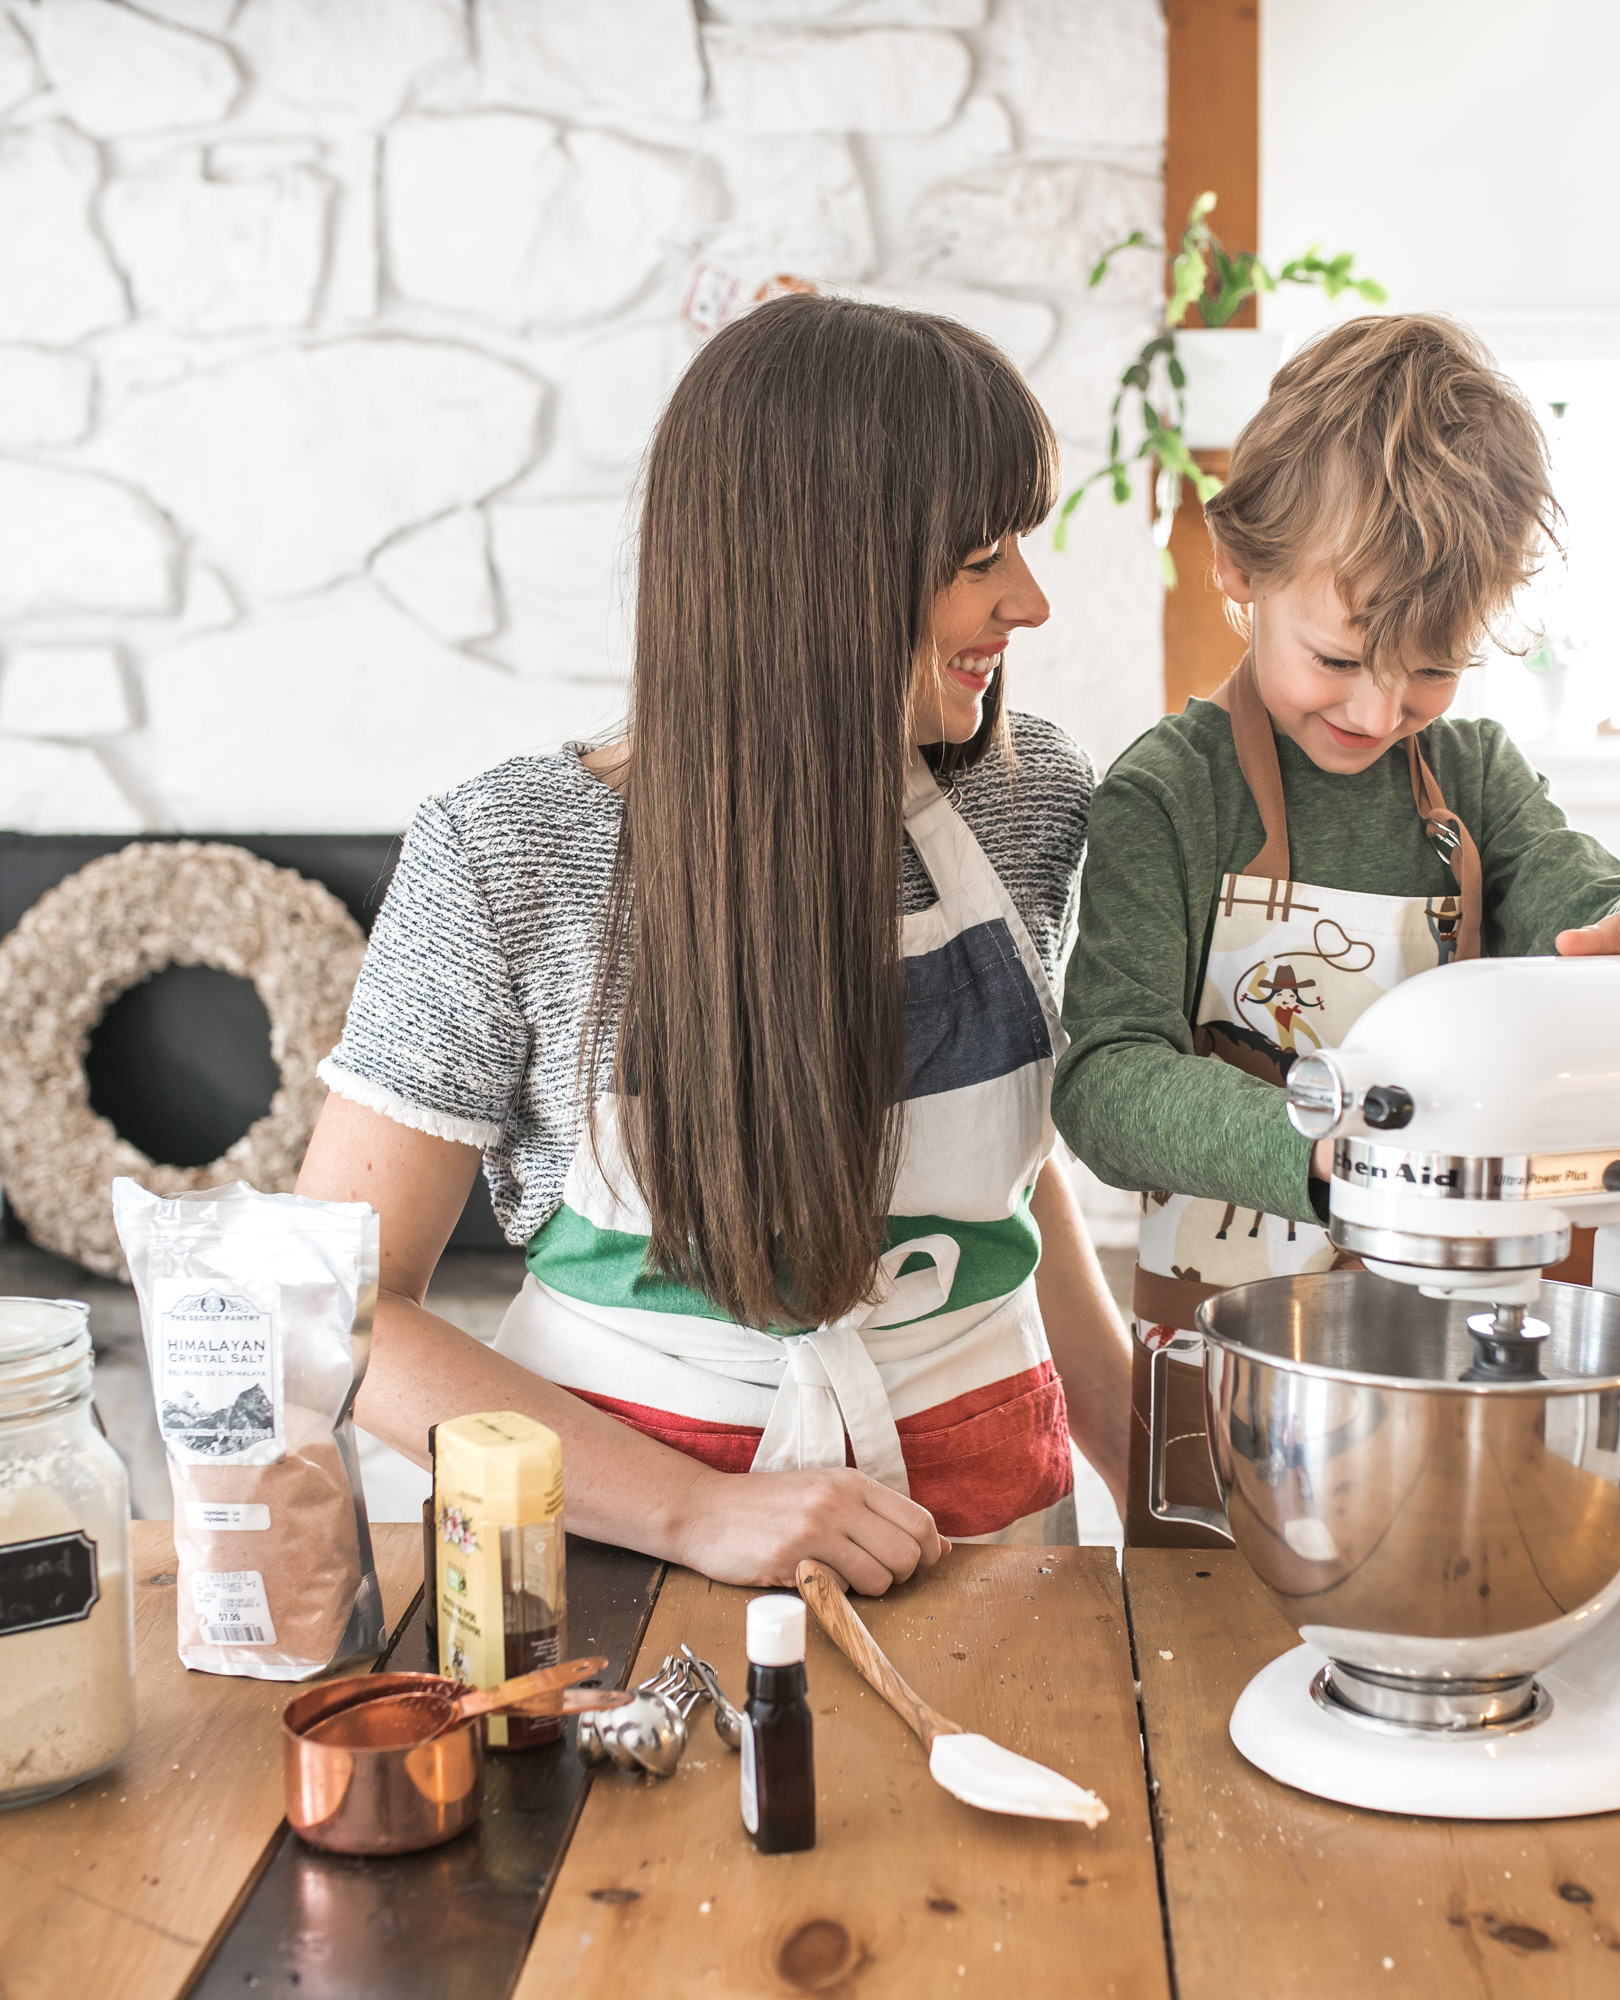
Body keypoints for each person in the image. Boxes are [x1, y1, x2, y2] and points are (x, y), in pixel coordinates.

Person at [296, 295, 1132, 1595]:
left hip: (993, 1534)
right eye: (981, 554)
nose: (1028, 598)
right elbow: (342, 1308)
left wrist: (1161, 1483)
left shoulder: (1027, 805)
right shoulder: (508, 852)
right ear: (820, 568)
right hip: (618, 1549)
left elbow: (1015, 1185)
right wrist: (694, 1512)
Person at [1050, 313, 1620, 1537]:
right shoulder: (1166, 798)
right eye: (1338, 657)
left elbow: (1572, 899)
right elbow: (1103, 1082)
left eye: (1431, 670)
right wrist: (1327, 1154)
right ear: (1239, 570)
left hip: (1450, 1350)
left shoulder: (1473, 779)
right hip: (1223, 1359)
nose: (1381, 706)